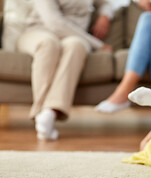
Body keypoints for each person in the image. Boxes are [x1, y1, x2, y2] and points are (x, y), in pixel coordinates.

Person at [17, 0, 114, 140]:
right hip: (38, 32)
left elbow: (105, 3)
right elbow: (55, 23)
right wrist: (98, 45)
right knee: (49, 44)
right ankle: (41, 111)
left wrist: (104, 16)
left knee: (77, 46)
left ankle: (50, 113)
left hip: (74, 37)